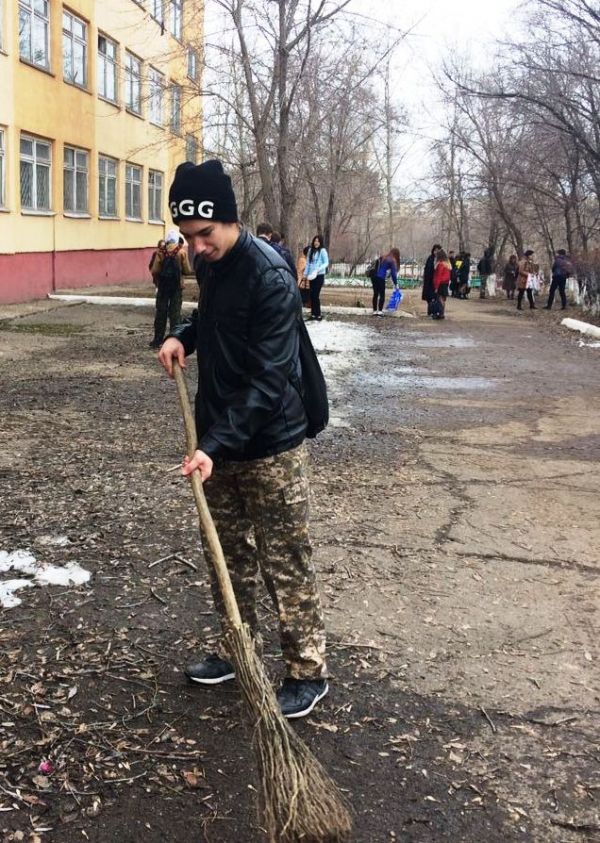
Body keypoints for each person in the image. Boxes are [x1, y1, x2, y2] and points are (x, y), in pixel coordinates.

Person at [158, 159, 329, 719]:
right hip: (219, 441)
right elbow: (212, 320)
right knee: (226, 555)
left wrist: (214, 445)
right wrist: (183, 336)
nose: (196, 247)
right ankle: (239, 649)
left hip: (271, 444)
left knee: (285, 560)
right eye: (187, 236)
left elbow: (267, 381)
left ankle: (307, 671)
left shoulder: (270, 277)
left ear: (231, 219)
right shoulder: (211, 265)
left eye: (205, 234)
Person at [149, 229, 192, 349]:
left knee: (161, 313)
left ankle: (157, 340)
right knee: (175, 314)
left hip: (163, 288)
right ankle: (175, 340)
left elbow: (154, 270)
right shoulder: (181, 252)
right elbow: (187, 271)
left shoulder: (160, 252)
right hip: (177, 287)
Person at [303, 235, 329, 321]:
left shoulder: (322, 251)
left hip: (319, 275)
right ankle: (313, 314)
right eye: (315, 241)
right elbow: (308, 263)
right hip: (311, 276)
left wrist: (318, 269)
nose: (316, 243)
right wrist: (305, 274)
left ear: (320, 242)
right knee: (311, 295)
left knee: (315, 295)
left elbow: (326, 263)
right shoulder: (310, 250)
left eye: (318, 241)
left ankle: (318, 315)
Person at [371, 248, 400, 316]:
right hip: (381, 278)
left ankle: (374, 311)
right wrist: (396, 284)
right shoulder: (392, 260)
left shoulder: (383, 257)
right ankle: (380, 311)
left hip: (373, 277)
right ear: (396, 255)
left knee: (375, 294)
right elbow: (393, 274)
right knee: (382, 294)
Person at [432, 248, 452, 318]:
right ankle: (442, 313)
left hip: (441, 283)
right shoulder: (447, 265)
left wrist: (436, 287)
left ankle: (440, 313)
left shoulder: (440, 265)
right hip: (445, 283)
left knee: (440, 298)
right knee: (443, 299)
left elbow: (438, 276)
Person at [422, 244, 441, 315]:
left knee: (436, 297)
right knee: (429, 297)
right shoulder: (430, 258)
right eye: (435, 250)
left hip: (437, 281)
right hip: (429, 281)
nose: (436, 252)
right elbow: (427, 269)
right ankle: (430, 311)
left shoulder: (441, 259)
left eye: (438, 250)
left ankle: (435, 311)